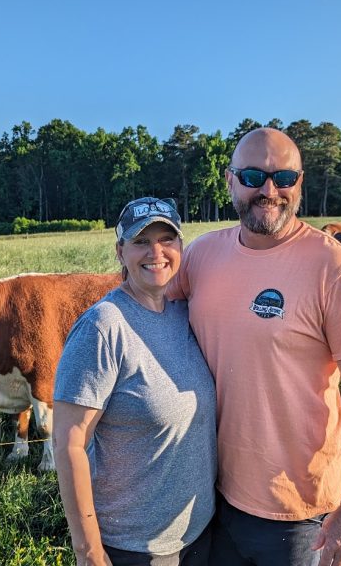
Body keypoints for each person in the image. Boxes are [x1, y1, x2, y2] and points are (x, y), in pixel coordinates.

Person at [168, 128, 341, 566]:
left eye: (283, 177)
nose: (269, 190)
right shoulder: (201, 257)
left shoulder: (336, 269)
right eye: (253, 176)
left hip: (299, 513)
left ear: (299, 183)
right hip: (211, 496)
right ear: (230, 181)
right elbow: (146, 306)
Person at [54, 197, 217, 566]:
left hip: (199, 532)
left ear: (180, 247)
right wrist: (89, 551)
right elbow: (68, 442)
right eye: (141, 241)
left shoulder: (183, 313)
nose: (155, 252)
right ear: (120, 251)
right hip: (135, 546)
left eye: (166, 239)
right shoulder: (103, 326)